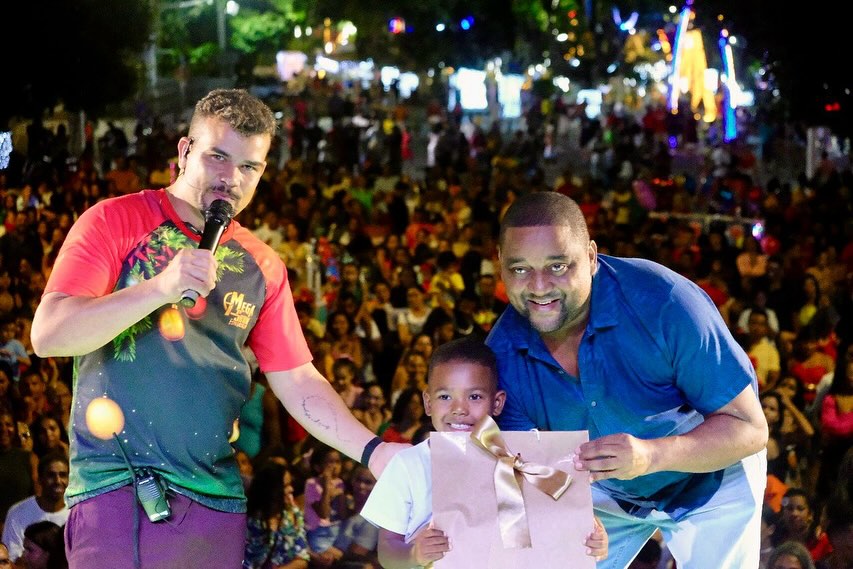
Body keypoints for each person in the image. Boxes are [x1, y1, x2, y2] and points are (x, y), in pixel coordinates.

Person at [29, 89, 403, 569]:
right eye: (218, 157)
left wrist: (373, 452)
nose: (232, 178)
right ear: (185, 151)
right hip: (118, 489)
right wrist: (159, 288)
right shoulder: (115, 221)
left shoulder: (263, 265)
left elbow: (297, 379)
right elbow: (50, 335)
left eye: (249, 167)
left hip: (216, 502)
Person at [485, 192, 768, 569]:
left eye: (557, 266)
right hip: (600, 493)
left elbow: (750, 429)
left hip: (712, 476)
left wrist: (651, 455)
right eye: (520, 269)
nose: (539, 286)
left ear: (591, 256)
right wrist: (568, 515)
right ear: (500, 264)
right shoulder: (500, 356)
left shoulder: (665, 303)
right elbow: (525, 471)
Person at [360, 336, 608, 569]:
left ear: (497, 403)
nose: (459, 409)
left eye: (475, 396)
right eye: (445, 396)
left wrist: (590, 539)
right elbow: (387, 552)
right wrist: (414, 554)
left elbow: (555, 528)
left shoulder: (523, 462)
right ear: (428, 403)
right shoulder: (407, 465)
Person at [1, 451, 69, 563]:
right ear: (40, 479)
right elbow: (12, 560)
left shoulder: (79, 514)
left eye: (63, 475)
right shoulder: (18, 513)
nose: (57, 481)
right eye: (51, 475)